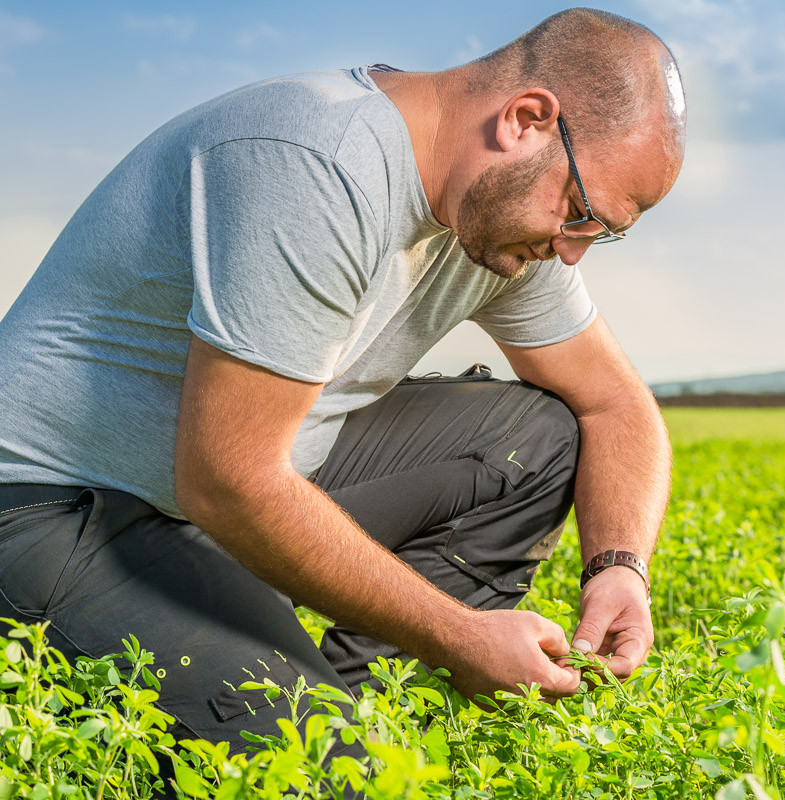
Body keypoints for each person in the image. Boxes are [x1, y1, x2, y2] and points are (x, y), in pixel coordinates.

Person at [0, 7, 684, 754]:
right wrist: (457, 636)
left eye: (600, 233)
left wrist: (621, 569)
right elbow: (229, 481)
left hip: (222, 495)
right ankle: (301, 721)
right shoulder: (317, 160)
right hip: (58, 510)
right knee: (325, 766)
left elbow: (617, 405)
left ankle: (351, 698)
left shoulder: (498, 220)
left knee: (537, 440)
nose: (573, 250)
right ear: (525, 119)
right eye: (581, 214)